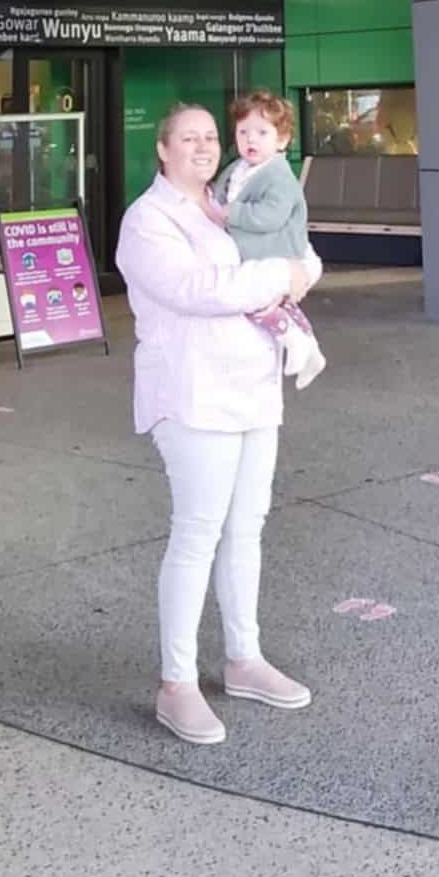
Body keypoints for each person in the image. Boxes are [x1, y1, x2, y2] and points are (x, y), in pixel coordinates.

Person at [115, 102, 321, 745]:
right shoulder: (147, 221)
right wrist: (278, 276)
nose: (205, 146)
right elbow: (199, 289)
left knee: (247, 528)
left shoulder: (235, 192)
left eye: (211, 136)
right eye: (190, 138)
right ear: (162, 149)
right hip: (194, 395)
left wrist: (291, 273)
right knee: (198, 532)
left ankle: (243, 659)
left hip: (255, 388)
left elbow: (305, 257)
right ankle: (176, 683)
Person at [213, 91, 326, 391]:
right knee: (280, 304)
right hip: (258, 253)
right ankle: (310, 347)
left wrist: (231, 213)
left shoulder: (279, 175)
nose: (251, 139)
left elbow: (271, 216)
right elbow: (218, 195)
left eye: (262, 132)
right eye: (243, 132)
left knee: (257, 302)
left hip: (275, 251)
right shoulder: (236, 169)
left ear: (283, 140)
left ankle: (294, 341)